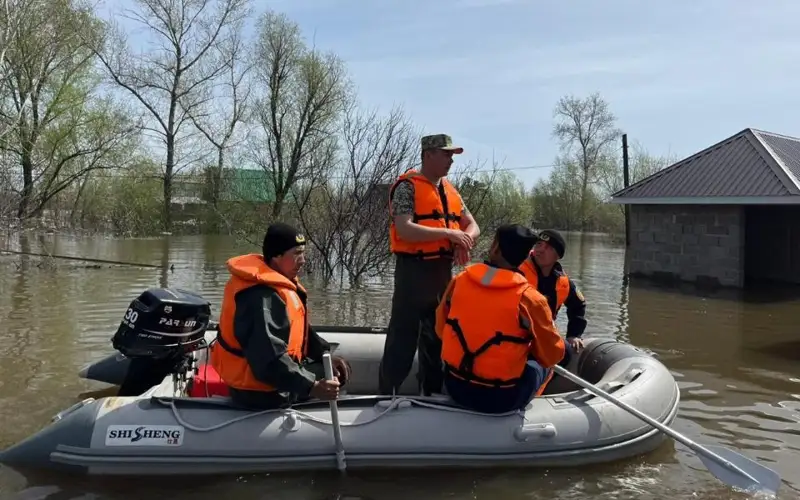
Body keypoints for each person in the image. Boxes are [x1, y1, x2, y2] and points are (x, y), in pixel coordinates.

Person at [379, 133, 481, 396]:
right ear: (428, 155)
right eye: (446, 154)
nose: (450, 160)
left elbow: (472, 225)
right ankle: (385, 394)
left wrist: (463, 240)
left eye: (452, 155)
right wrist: (449, 234)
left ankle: (432, 395)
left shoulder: (451, 191)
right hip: (413, 274)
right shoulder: (408, 187)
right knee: (401, 340)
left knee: (437, 342)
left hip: (441, 275)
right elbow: (405, 230)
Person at [210, 222, 352, 410]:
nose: (302, 260)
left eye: (303, 253)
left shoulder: (277, 287)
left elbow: (300, 332)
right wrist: (312, 387)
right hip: (260, 392)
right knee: (332, 377)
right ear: (276, 256)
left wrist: (324, 354)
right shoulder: (260, 297)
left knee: (339, 369)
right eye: (296, 253)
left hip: (272, 381)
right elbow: (268, 362)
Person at [435, 224, 572, 414]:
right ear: (525, 256)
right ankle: (538, 405)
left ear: (495, 248)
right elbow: (551, 356)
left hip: (454, 386)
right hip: (501, 399)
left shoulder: (460, 280)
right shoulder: (531, 299)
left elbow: (441, 329)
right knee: (557, 354)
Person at [519, 229, 587, 352]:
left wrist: (574, 335)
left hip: (543, 337)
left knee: (567, 352)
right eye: (539, 244)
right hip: (516, 336)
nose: (540, 250)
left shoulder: (563, 282)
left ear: (558, 256)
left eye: (548, 247)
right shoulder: (517, 270)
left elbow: (578, 305)